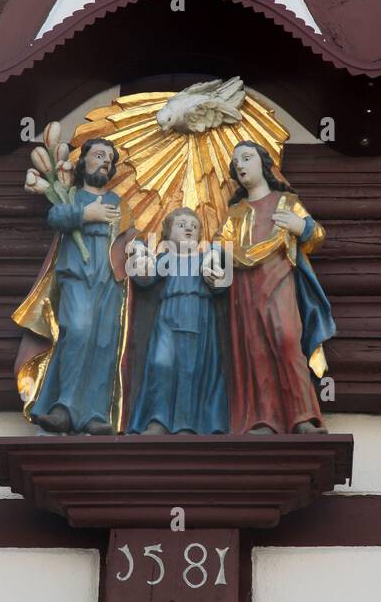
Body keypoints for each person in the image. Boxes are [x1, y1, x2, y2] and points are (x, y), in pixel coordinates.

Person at [207, 140, 335, 434]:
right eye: (236, 161)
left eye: (247, 157)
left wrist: (298, 226)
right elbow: (219, 246)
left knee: (287, 340)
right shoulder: (236, 213)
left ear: (263, 164)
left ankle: (303, 417)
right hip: (244, 286)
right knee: (255, 349)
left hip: (278, 278)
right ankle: (264, 419)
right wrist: (212, 264)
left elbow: (316, 235)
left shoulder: (286, 202)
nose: (240, 164)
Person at [12, 137, 135, 434]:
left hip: (110, 280)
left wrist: (137, 247)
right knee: (78, 331)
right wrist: (85, 214)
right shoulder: (70, 196)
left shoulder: (118, 202)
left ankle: (94, 412)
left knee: (105, 342)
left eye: (109, 158)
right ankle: (64, 406)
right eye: (98, 155)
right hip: (77, 275)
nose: (104, 161)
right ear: (83, 163)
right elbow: (56, 217)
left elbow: (130, 235)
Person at [127, 207, 228, 436]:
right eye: (181, 225)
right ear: (167, 234)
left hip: (198, 315)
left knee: (191, 368)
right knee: (161, 364)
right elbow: (145, 279)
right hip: (168, 315)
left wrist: (217, 278)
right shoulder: (166, 258)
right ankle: (158, 420)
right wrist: (139, 252)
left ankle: (186, 423)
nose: (189, 229)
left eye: (194, 226)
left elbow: (222, 286)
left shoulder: (205, 258)